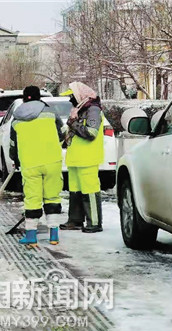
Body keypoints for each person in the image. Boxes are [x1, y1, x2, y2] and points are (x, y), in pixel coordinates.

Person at [9, 86, 64, 246]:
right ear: (40, 97)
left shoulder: (17, 118)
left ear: (24, 98)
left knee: (32, 198)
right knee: (52, 196)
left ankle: (31, 236)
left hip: (30, 163)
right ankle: (54, 235)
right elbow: (61, 133)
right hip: (52, 161)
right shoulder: (50, 113)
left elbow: (13, 143)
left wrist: (16, 158)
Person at [59, 82, 104, 233]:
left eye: (72, 96)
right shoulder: (80, 110)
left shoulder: (93, 110)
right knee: (75, 191)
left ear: (80, 96)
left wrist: (73, 123)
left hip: (88, 159)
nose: (70, 99)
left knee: (90, 191)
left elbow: (91, 133)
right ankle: (75, 220)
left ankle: (95, 223)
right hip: (75, 159)